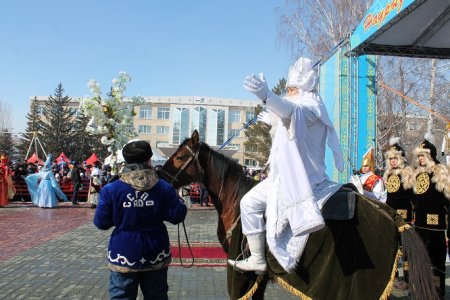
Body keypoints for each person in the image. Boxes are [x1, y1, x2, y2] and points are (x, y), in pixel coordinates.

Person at [228, 57, 344, 272]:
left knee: (248, 204)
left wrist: (267, 96)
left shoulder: (310, 105)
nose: (287, 92)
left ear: (301, 88)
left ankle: (258, 259)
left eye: (290, 89)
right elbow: (289, 138)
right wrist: (273, 121)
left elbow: (292, 112)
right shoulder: (306, 105)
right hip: (291, 175)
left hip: (302, 179)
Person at [93, 140, 187, 300]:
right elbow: (177, 216)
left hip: (124, 251)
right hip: (155, 250)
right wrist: (179, 201)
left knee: (120, 296)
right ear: (149, 159)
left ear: (126, 161)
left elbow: (101, 223)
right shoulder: (163, 187)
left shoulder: (111, 189)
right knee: (157, 296)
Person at [406, 137, 450, 297]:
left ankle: (437, 292)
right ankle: (421, 290)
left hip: (436, 226)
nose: (420, 158)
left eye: (423, 155)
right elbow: (412, 197)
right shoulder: (416, 173)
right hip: (419, 225)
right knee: (420, 260)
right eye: (419, 156)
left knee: (436, 262)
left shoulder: (441, 171)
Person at [382, 137, 414, 289]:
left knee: (405, 249)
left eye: (395, 158)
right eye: (391, 158)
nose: (393, 161)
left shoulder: (407, 172)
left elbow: (413, 196)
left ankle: (406, 279)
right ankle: (393, 277)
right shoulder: (387, 174)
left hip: (404, 217)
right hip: (390, 215)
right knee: (392, 247)